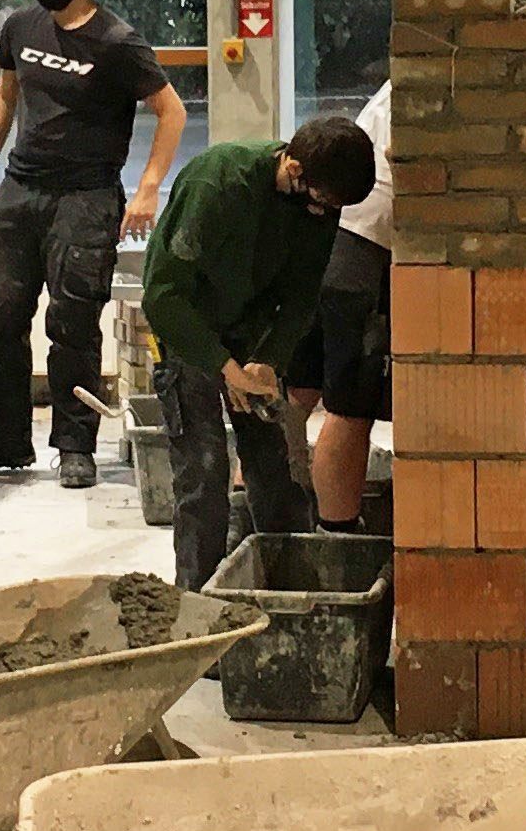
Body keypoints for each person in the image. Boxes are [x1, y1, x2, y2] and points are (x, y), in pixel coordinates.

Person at [0, 0, 186, 490]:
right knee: (0, 314)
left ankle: (75, 445)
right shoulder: (20, 27)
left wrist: (150, 185)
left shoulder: (117, 42)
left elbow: (171, 111)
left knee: (73, 325)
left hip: (85, 199)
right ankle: (5, 440)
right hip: (20, 190)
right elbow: (6, 94)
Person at [142, 113, 378, 590]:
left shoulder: (320, 204)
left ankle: (290, 593)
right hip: (191, 329)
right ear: (294, 169)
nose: (327, 213)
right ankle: (197, 604)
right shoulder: (219, 183)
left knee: (277, 470)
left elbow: (301, 296)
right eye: (323, 202)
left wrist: (269, 360)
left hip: (252, 333)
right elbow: (162, 297)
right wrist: (224, 367)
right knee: (203, 476)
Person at [289, 83, 397, 529]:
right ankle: (337, 537)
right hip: (362, 251)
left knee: (301, 390)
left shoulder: (402, 84)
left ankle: (258, 514)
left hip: (331, 240)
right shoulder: (435, 77)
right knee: (352, 403)